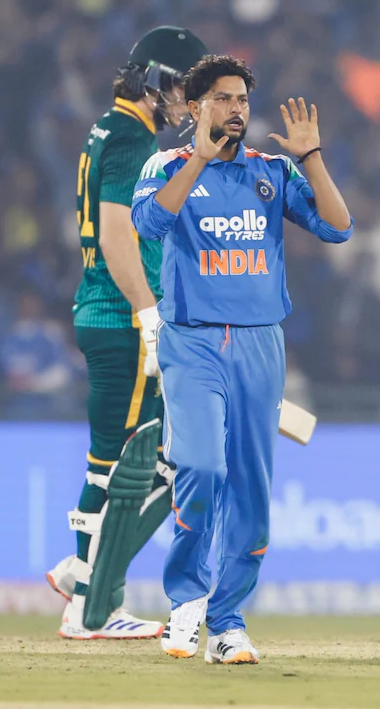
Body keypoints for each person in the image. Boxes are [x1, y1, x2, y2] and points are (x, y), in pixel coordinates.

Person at [131, 54, 353, 664]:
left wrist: (311, 157)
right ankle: (186, 601)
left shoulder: (271, 170)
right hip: (192, 341)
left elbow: (338, 227)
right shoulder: (166, 165)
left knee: (251, 489)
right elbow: (148, 223)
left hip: (259, 344)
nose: (237, 110)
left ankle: (228, 621)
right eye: (224, 99)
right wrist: (199, 160)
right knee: (202, 468)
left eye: (243, 100)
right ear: (196, 107)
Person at [46, 26, 209, 640]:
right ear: (157, 80)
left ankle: (80, 573)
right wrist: (148, 316)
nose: (188, 104)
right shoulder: (132, 138)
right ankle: (91, 601)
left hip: (101, 310)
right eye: (185, 88)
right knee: (136, 466)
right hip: (121, 316)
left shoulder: (107, 129)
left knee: (108, 462)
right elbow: (118, 237)